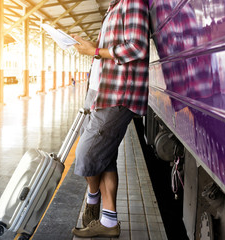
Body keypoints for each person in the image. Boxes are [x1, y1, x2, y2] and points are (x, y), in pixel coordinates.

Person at [71, 0, 149, 238]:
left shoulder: (133, 2)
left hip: (117, 95)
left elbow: (137, 47)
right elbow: (113, 48)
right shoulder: (113, 8)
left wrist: (95, 51)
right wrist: (94, 47)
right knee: (105, 160)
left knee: (86, 153)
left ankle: (92, 200)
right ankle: (108, 221)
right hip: (101, 93)